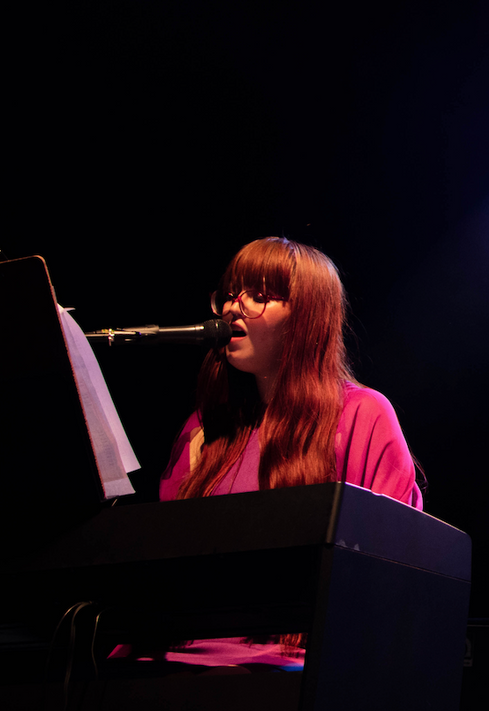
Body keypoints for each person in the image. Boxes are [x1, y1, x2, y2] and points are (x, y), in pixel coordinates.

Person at [123, 237, 423, 669]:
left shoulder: (362, 415)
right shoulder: (203, 428)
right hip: (175, 663)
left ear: (306, 317)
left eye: (259, 297)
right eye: (229, 295)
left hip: (289, 667)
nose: (233, 307)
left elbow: (390, 569)